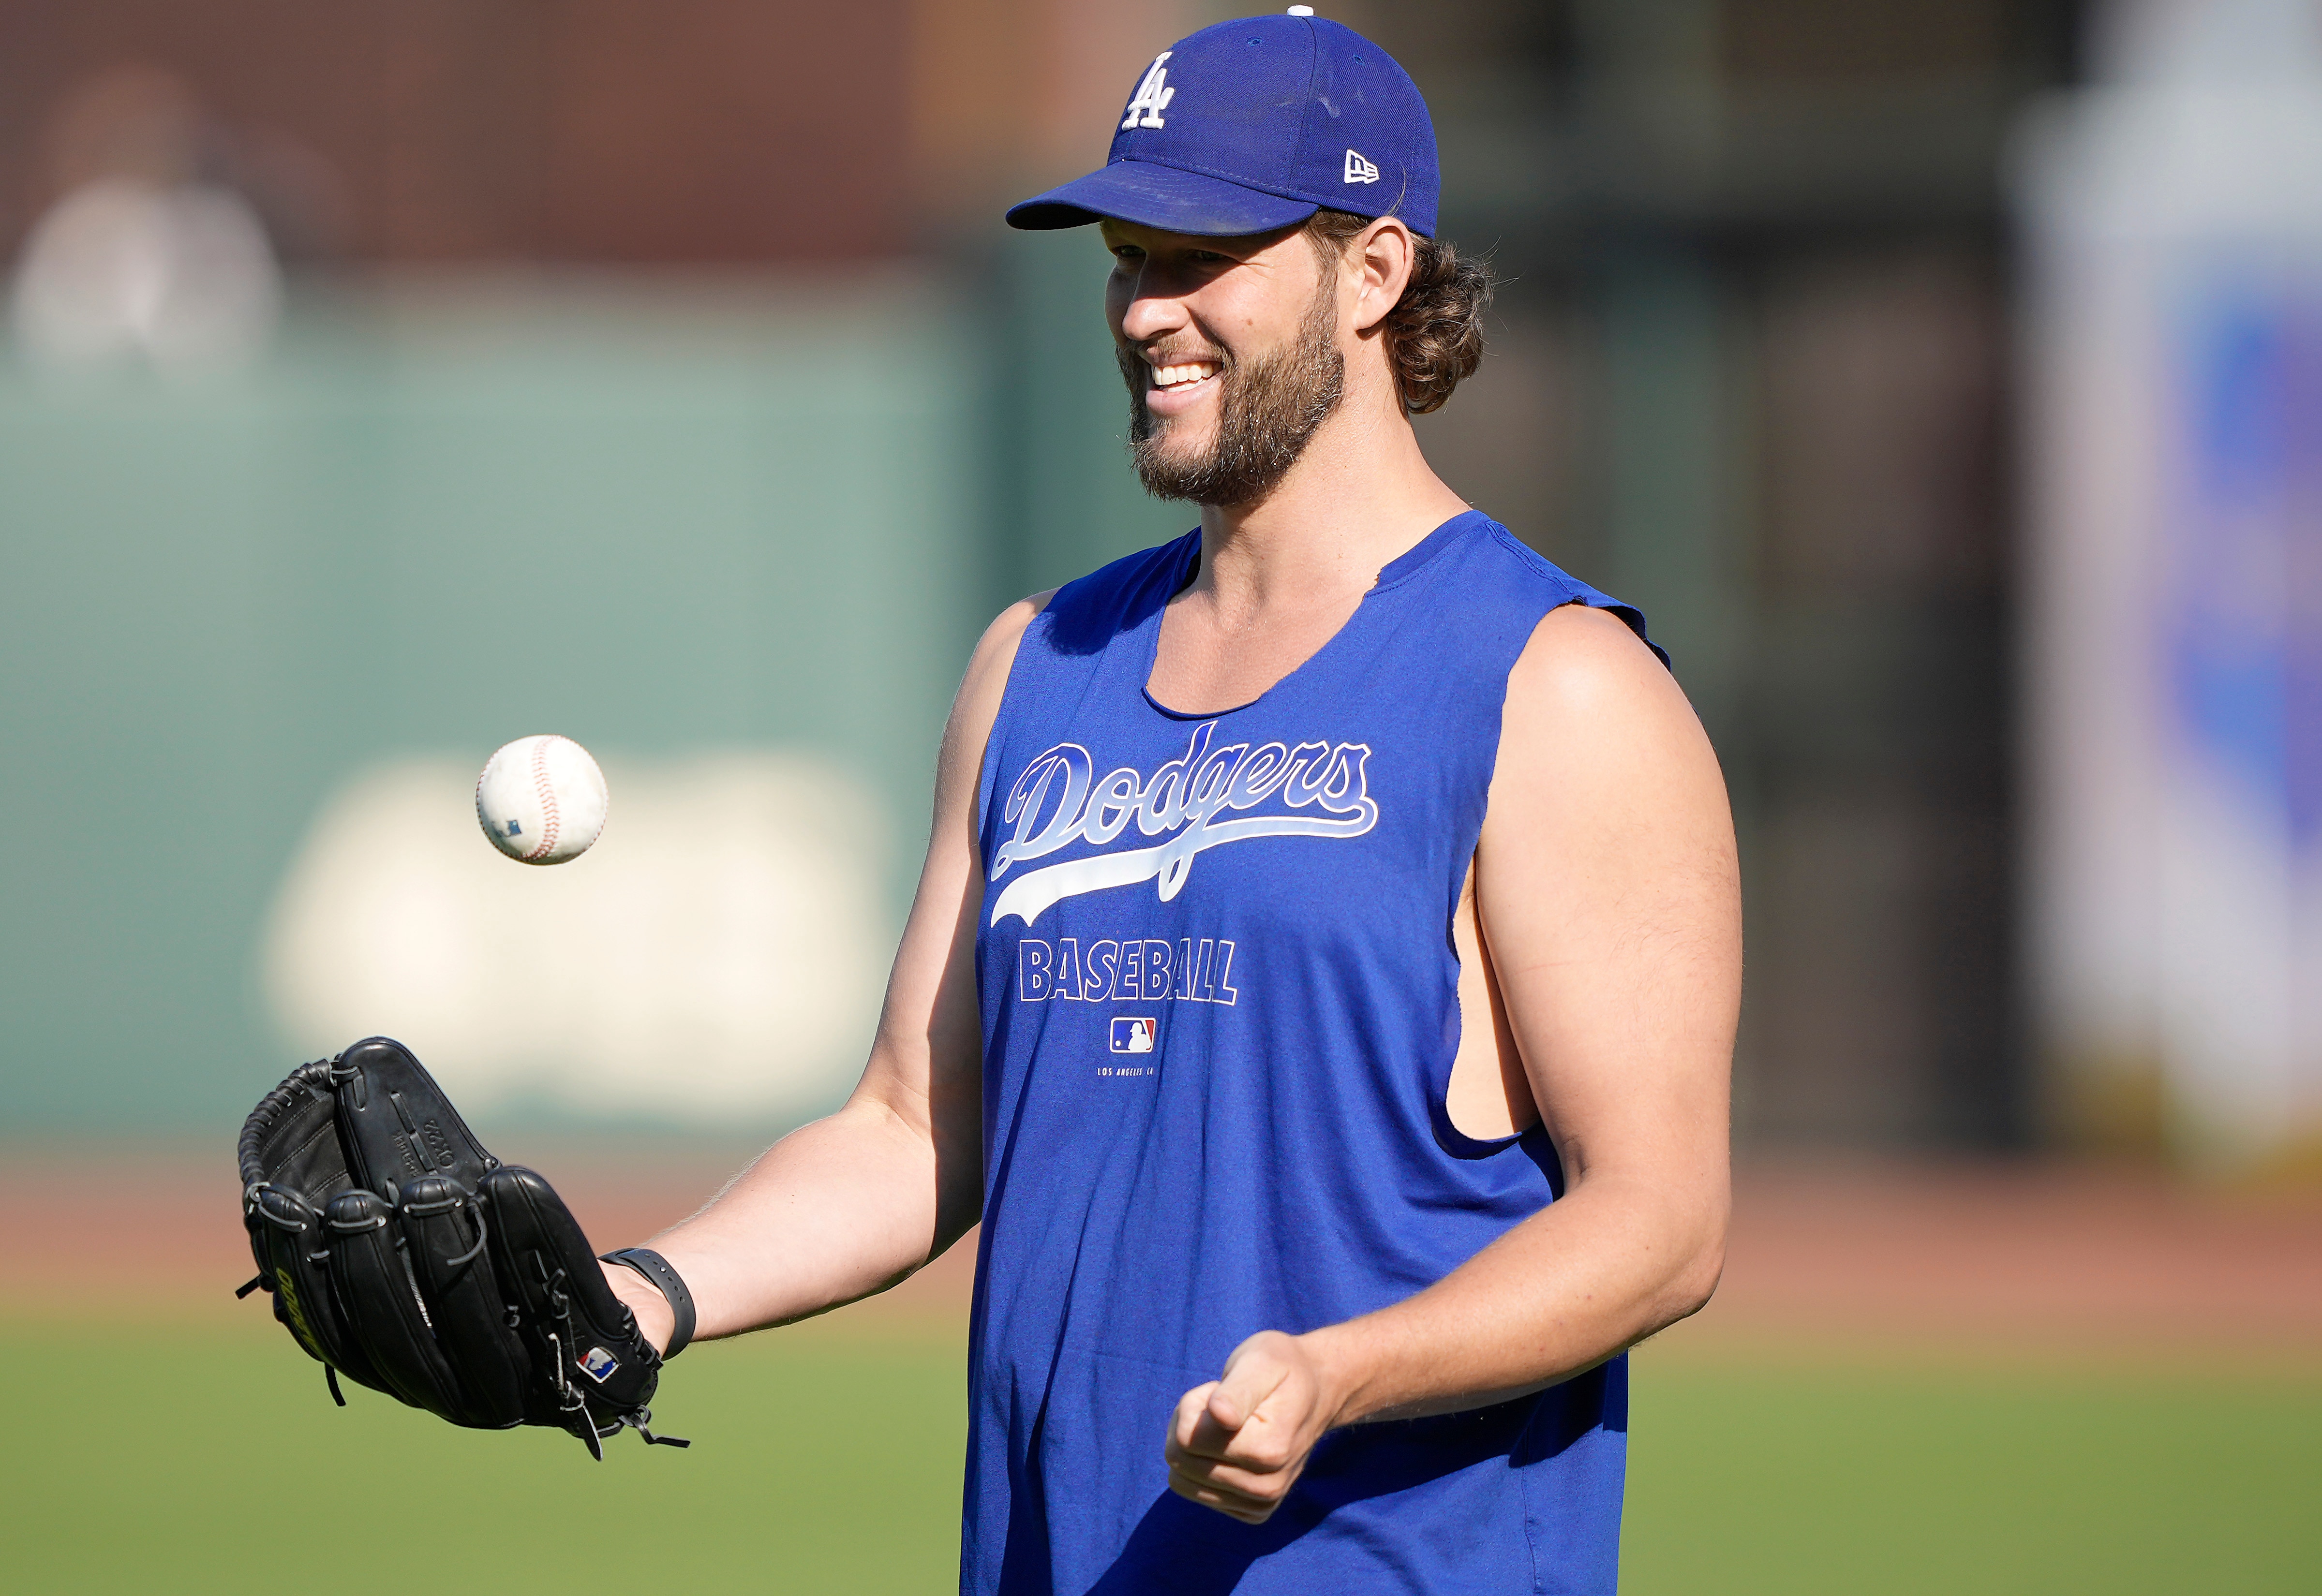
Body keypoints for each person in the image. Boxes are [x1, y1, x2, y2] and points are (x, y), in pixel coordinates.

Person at [599, 13, 1738, 1592]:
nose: (1148, 312)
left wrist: (1342, 1371)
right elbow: (910, 1127)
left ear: (1377, 271)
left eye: (1207, 253)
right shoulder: (1037, 666)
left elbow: (1662, 1220)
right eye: (1131, 257)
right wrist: (640, 1294)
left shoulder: (1554, 686)